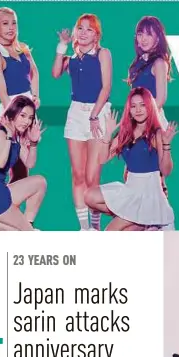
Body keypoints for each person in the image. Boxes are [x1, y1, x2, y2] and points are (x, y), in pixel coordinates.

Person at [83, 87, 177, 231]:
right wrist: (107, 135)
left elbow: (166, 170)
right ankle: (141, 223)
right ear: (129, 110)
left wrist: (166, 145)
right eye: (133, 106)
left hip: (148, 194)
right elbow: (102, 159)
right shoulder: (125, 132)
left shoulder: (156, 133)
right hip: (131, 190)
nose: (138, 110)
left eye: (142, 105)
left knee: (110, 232)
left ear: (150, 107)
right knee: (89, 196)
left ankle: (144, 222)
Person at [52, 13, 112, 231]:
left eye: (89, 29)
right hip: (76, 113)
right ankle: (84, 228)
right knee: (77, 175)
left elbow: (106, 87)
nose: (84, 32)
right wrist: (62, 45)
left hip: (98, 112)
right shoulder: (72, 58)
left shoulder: (103, 54)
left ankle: (96, 227)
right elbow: (56, 73)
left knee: (92, 175)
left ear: (97, 35)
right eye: (80, 28)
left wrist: (95, 116)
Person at [0, 96, 47, 231]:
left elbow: (30, 163)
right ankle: (26, 229)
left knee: (40, 182)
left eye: (30, 117)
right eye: (23, 115)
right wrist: (9, 136)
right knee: (26, 233)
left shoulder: (16, 136)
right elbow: (0, 163)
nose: (27, 121)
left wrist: (33, 143)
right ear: (13, 113)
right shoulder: (1, 134)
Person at [125, 16, 173, 228]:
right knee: (134, 171)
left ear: (158, 38)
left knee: (158, 176)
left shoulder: (159, 62)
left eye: (149, 34)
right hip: (137, 121)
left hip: (153, 120)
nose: (143, 39)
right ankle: (143, 220)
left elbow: (161, 98)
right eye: (140, 34)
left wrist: (146, 119)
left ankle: (161, 223)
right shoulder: (137, 63)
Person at [0, 7, 40, 183]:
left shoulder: (23, 50)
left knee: (22, 167)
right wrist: (15, 118)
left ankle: (14, 206)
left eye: (14, 23)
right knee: (3, 161)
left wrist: (35, 97)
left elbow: (35, 74)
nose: (10, 27)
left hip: (27, 111)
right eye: (5, 24)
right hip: (12, 111)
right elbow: (3, 93)